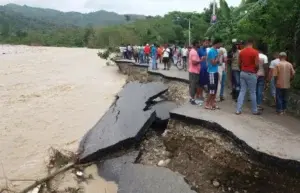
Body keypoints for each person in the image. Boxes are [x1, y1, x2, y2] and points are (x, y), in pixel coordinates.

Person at [236, 38, 261, 115]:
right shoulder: (255, 52)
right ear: (252, 43)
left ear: (246, 43)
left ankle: (238, 110)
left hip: (243, 73)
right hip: (251, 73)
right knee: (253, 92)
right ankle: (254, 110)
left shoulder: (241, 52)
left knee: (242, 91)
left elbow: (239, 63)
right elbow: (257, 64)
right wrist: (256, 71)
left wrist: (242, 70)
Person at [205, 38, 223, 110]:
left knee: (215, 89)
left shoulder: (215, 50)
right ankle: (207, 104)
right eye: (220, 44)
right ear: (217, 43)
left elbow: (217, 62)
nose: (221, 45)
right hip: (211, 72)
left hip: (215, 71)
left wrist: (218, 59)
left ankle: (213, 103)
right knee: (212, 89)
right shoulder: (212, 51)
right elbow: (213, 62)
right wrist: (219, 56)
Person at [188, 40, 201, 105]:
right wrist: (201, 60)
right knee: (193, 86)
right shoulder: (194, 52)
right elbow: (194, 62)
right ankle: (192, 99)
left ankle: (191, 98)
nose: (199, 44)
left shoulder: (193, 51)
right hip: (194, 72)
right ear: (196, 44)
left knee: (192, 85)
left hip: (193, 71)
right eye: (198, 43)